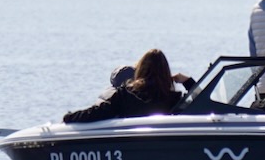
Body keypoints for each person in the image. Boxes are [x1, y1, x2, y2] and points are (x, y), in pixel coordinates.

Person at [63, 49, 193, 123]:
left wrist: (70, 117)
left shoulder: (125, 95)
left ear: (140, 70)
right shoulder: (174, 100)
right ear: (166, 72)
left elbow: (97, 112)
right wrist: (188, 82)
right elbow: (200, 107)